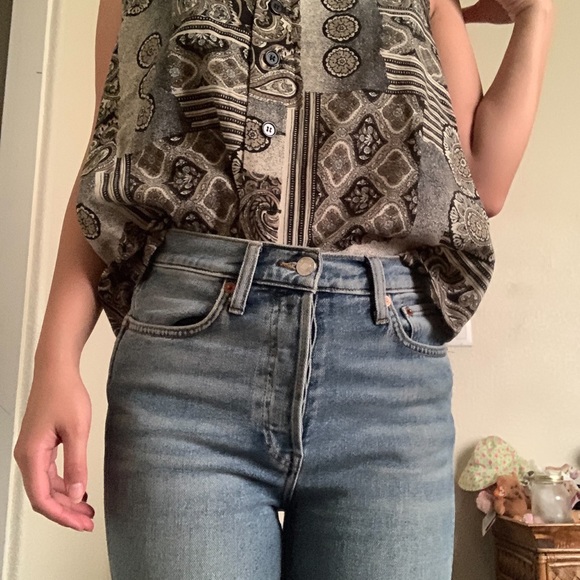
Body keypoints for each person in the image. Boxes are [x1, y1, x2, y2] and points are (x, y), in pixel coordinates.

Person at [14, 0, 553, 577]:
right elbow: (110, 163)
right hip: (188, 376)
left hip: (385, 385)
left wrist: (536, 15)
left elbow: (482, 181)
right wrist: (55, 362)